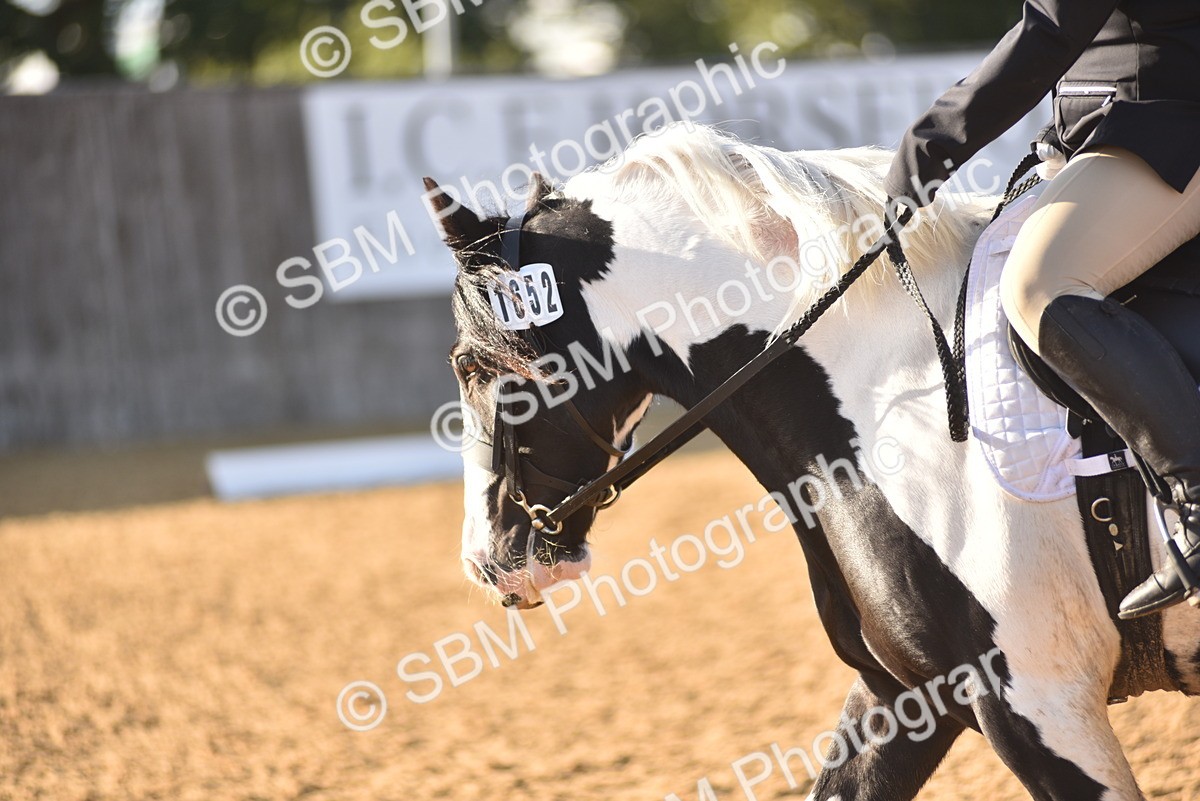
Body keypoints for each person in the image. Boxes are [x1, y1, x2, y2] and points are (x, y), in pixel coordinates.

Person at [885, 0, 1200, 619]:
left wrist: (923, 153)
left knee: (1041, 285)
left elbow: (1049, 32)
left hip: (1174, 128)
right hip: (1132, 123)